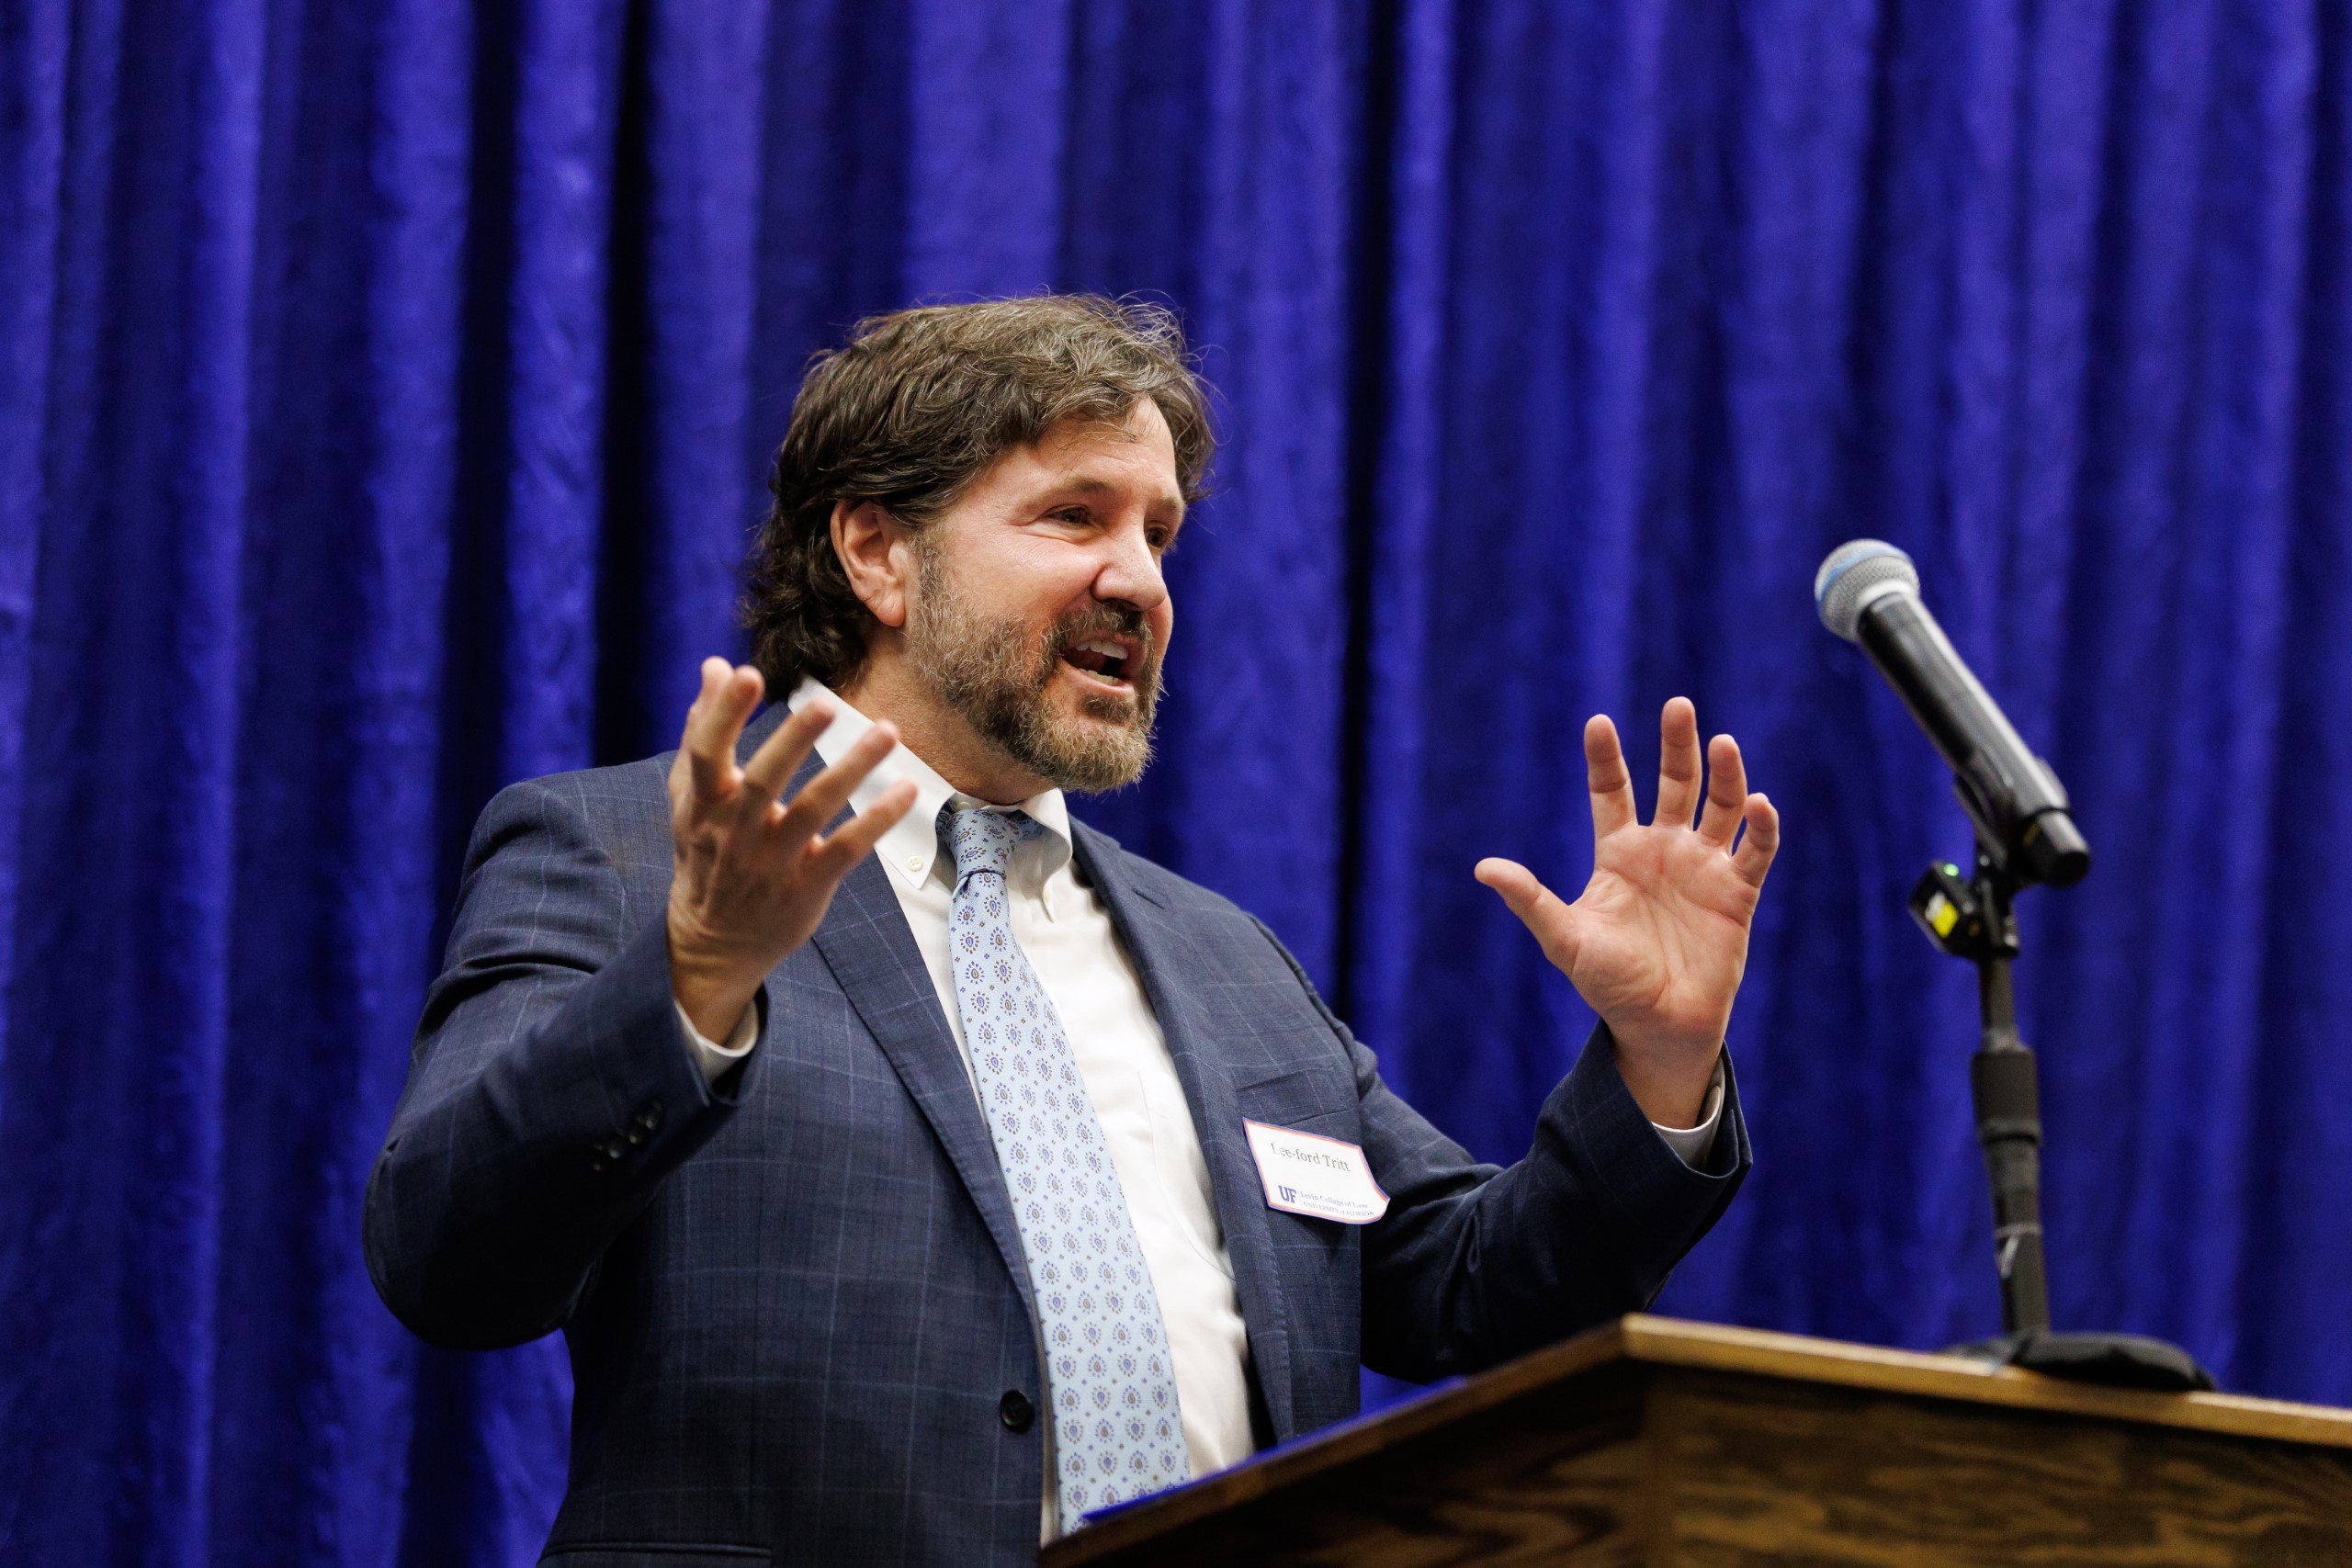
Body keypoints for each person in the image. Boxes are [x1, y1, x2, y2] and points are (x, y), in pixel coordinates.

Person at [365, 296, 1781, 1566]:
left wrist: (1657, 1068)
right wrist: (695, 977)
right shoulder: (630, 857)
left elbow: (1480, 1295)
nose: (1143, 581)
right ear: (878, 552)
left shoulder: (1229, 963)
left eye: (1159, 533)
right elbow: (449, 1259)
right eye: (1074, 517)